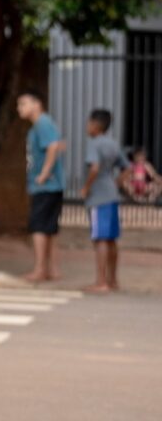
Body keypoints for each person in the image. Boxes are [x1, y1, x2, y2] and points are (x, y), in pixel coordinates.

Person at [17, 90, 66, 282]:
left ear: (36, 104)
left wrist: (44, 173)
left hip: (46, 186)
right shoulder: (42, 124)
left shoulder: (42, 123)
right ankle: (52, 269)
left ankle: (40, 270)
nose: (19, 108)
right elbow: (59, 145)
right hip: (50, 186)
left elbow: (53, 146)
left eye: (23, 104)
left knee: (39, 227)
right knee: (49, 229)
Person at [80, 109, 128, 293]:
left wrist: (86, 187)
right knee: (111, 239)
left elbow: (94, 168)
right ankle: (112, 280)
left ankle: (101, 282)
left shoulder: (94, 143)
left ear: (95, 125)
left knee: (100, 238)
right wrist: (116, 183)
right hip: (112, 195)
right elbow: (128, 168)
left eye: (88, 123)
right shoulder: (113, 144)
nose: (87, 126)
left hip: (98, 197)